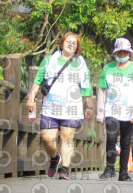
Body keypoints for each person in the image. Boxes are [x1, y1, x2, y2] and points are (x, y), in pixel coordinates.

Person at [26, 32, 93, 180]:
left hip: (72, 107)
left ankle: (65, 169)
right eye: (68, 42)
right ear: (62, 43)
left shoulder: (80, 63)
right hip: (51, 106)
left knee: (67, 137)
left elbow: (86, 86)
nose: (71, 44)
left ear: (77, 48)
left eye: (74, 43)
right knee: (47, 138)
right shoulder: (50, 60)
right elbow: (38, 80)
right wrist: (31, 98)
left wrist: (89, 107)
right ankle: (54, 158)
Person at [96, 37, 133, 182]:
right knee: (111, 139)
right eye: (120, 52)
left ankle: (123, 172)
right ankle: (109, 168)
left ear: (129, 53)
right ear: (115, 52)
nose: (122, 54)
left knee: (125, 142)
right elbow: (102, 91)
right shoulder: (108, 68)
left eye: (125, 52)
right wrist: (100, 114)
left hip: (129, 111)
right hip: (111, 110)